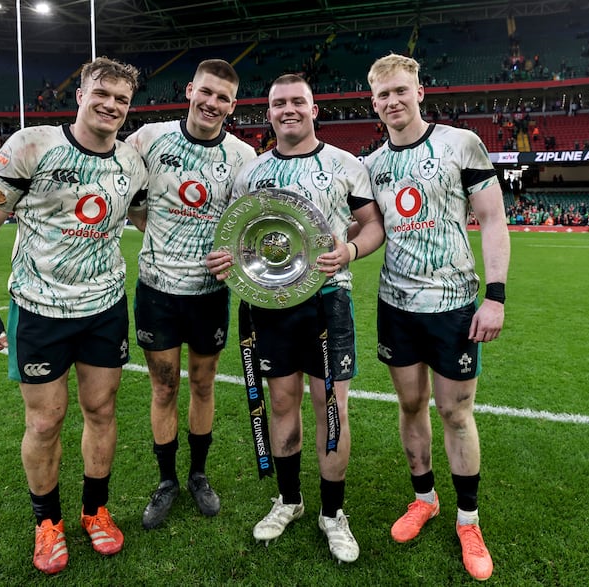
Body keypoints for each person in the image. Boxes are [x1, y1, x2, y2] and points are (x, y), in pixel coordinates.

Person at [0, 56, 147, 576]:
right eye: (101, 93)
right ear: (81, 95)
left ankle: (95, 510)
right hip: (39, 308)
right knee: (45, 420)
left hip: (105, 306)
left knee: (102, 411)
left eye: (121, 99)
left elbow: (149, 216)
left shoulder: (133, 163)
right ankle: (47, 523)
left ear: (128, 109)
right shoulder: (31, 146)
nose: (110, 105)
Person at [205, 74, 384, 563]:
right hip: (265, 306)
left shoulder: (345, 164)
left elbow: (372, 226)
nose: (289, 110)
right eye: (279, 103)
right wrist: (223, 260)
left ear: (313, 109)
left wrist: (348, 250)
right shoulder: (251, 173)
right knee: (281, 403)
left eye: (297, 102)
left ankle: (333, 514)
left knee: (331, 407)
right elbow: (232, 239)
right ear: (268, 112)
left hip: (328, 299)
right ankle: (288, 501)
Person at [363, 53, 510, 581]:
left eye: (400, 91)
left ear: (419, 92)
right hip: (395, 306)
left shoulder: (460, 143)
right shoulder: (373, 164)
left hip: (453, 306)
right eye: (382, 95)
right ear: (373, 102)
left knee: (454, 412)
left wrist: (494, 297)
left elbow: (493, 220)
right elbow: (374, 229)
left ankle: (467, 519)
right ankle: (423, 499)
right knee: (409, 405)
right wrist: (346, 250)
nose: (392, 101)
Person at [125, 59, 257, 529]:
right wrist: (159, 234)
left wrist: (233, 257)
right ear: (189, 90)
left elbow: (248, 227)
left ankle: (198, 475)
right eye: (206, 92)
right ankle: (166, 482)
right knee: (163, 387)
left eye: (223, 97)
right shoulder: (149, 139)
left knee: (202, 385)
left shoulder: (243, 157)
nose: (212, 103)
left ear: (233, 105)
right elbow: (130, 202)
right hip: (157, 291)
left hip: (209, 294)